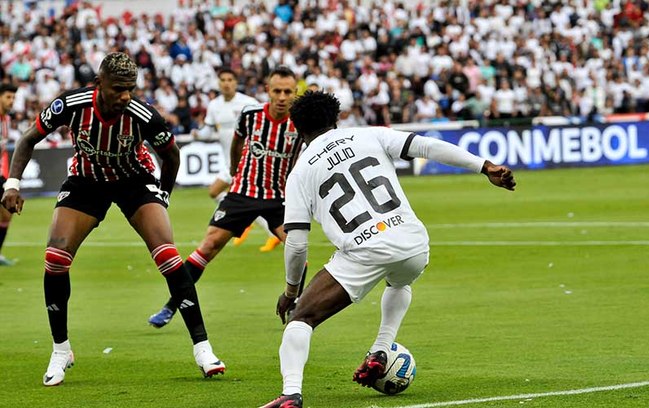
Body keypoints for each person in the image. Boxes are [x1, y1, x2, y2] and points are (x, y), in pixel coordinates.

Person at [260, 91, 516, 408]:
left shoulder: (299, 172)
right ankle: (381, 349)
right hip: (413, 242)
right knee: (400, 281)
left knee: (301, 318)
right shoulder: (370, 135)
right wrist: (484, 166)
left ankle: (291, 393)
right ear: (336, 118)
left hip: (363, 249)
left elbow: (297, 243)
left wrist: (290, 291)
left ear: (297, 129)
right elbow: (427, 146)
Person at [0, 53, 225, 386]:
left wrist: (162, 194)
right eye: (118, 89)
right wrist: (13, 184)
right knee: (55, 259)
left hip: (134, 180)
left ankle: (203, 348)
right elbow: (28, 140)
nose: (125, 96)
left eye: (130, 89)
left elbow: (172, 155)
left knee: (167, 255)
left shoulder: (143, 114)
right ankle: (61, 350)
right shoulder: (71, 105)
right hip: (86, 182)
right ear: (99, 84)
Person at [148, 66, 304, 328]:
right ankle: (171, 306)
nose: (281, 97)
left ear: (295, 93)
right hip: (242, 193)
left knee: (298, 250)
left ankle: (295, 306)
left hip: (278, 197)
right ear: (268, 90)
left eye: (288, 92)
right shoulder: (251, 114)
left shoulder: (300, 123)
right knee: (207, 247)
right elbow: (236, 142)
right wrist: (234, 170)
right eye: (276, 90)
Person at [193, 68, 281, 253]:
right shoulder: (214, 105)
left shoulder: (247, 103)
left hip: (248, 162)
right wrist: (197, 133)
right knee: (215, 192)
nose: (226, 83)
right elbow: (207, 132)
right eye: (223, 79)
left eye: (230, 79)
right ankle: (250, 222)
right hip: (230, 162)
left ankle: (252, 223)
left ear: (235, 82)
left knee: (220, 192)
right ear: (218, 83)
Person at [0, 83, 18, 266]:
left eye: (13, 98)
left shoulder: (5, 119)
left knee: (7, 213)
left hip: (1, 175)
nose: (11, 101)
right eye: (8, 97)